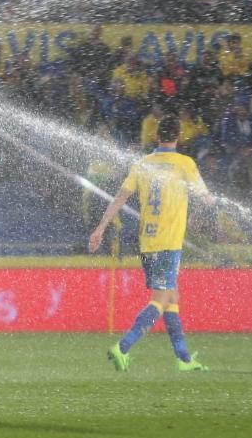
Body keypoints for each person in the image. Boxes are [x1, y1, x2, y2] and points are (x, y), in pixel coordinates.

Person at [89, 113, 211, 372]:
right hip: (169, 243)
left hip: (147, 243)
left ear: (157, 136)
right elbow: (205, 198)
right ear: (179, 136)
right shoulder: (184, 163)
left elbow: (120, 198)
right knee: (160, 298)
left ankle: (184, 358)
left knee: (171, 297)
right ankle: (122, 347)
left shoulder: (142, 164)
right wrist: (210, 205)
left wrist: (100, 228)